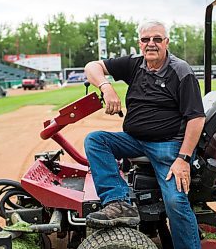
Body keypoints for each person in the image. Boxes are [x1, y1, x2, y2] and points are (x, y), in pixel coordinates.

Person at [83, 20, 205, 249]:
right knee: (96, 140)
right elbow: (92, 66)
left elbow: (196, 118)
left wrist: (183, 159)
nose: (151, 44)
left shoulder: (180, 71)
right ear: (139, 43)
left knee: (175, 201)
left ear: (166, 42)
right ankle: (118, 201)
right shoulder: (135, 64)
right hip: (136, 141)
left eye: (157, 39)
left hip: (169, 145)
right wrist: (106, 87)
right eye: (146, 39)